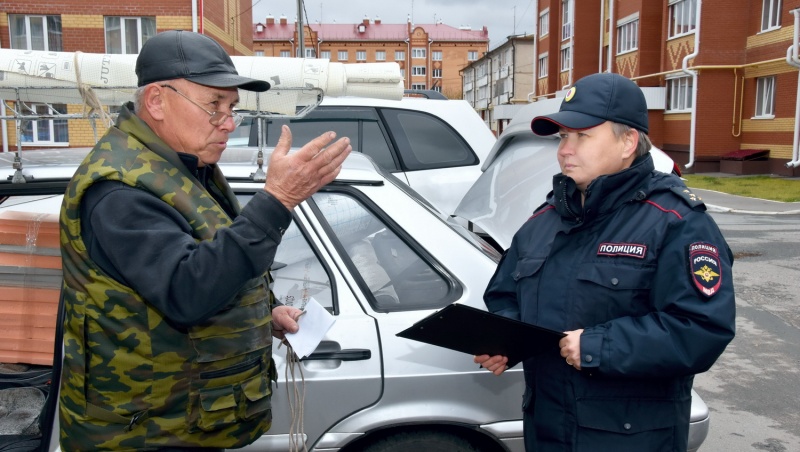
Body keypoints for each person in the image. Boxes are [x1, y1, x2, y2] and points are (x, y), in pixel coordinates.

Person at [58, 30, 351, 451]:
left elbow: (205, 259)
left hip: (181, 423)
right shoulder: (119, 190)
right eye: (214, 105)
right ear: (157, 101)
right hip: (143, 434)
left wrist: (265, 312)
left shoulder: (180, 165)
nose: (228, 122)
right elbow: (187, 290)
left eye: (232, 107)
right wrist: (278, 200)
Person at [474, 72, 736, 451]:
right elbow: (506, 295)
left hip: (630, 440)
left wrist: (602, 345)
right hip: (548, 433)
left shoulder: (675, 222)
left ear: (628, 141)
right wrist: (506, 339)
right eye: (563, 136)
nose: (565, 149)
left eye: (582, 136)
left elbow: (701, 328)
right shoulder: (545, 220)